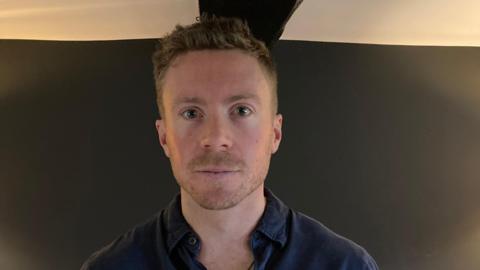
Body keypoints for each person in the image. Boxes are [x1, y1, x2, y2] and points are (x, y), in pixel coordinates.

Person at [81, 15, 379, 270]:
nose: (216, 138)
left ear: (275, 133)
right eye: (191, 113)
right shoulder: (111, 266)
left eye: (241, 110)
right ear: (164, 137)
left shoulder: (344, 265)